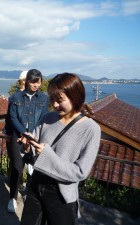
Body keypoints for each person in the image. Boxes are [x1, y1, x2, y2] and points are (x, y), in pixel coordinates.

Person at [20, 73, 101, 225]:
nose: (55, 105)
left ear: (75, 97)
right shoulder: (48, 118)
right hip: (37, 184)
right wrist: (27, 143)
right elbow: (35, 146)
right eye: (52, 100)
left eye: (59, 100)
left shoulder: (91, 129)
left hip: (61, 193)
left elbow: (80, 172)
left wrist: (47, 154)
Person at [7, 69, 49, 213]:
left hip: (35, 138)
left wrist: (31, 136)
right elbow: (12, 118)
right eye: (33, 82)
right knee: (17, 167)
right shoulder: (15, 97)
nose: (36, 85)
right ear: (26, 81)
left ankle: (28, 194)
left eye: (38, 82)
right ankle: (12, 197)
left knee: (33, 170)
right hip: (17, 137)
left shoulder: (44, 99)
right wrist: (24, 132)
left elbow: (43, 118)